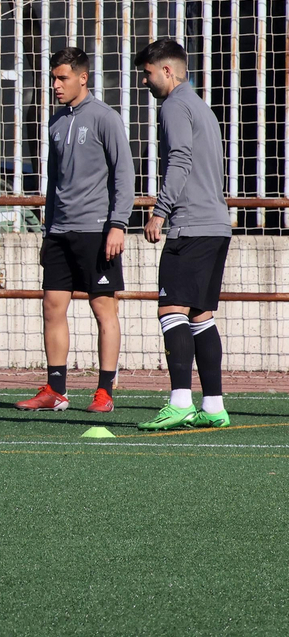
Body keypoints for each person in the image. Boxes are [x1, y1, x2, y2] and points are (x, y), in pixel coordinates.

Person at [16, 47, 133, 414]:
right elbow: (54, 183)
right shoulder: (55, 122)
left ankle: (104, 391)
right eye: (53, 78)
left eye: (62, 78)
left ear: (83, 78)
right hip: (60, 231)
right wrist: (48, 229)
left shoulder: (105, 118)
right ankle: (56, 389)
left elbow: (124, 174)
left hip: (96, 231)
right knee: (52, 307)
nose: (55, 85)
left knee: (103, 310)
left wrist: (118, 223)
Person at [135, 39, 233, 430]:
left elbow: (180, 159)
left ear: (168, 71)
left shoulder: (174, 105)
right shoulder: (201, 107)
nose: (145, 81)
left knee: (170, 309)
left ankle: (179, 402)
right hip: (216, 225)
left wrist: (160, 210)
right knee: (201, 316)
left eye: (147, 73)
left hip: (190, 225)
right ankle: (213, 406)